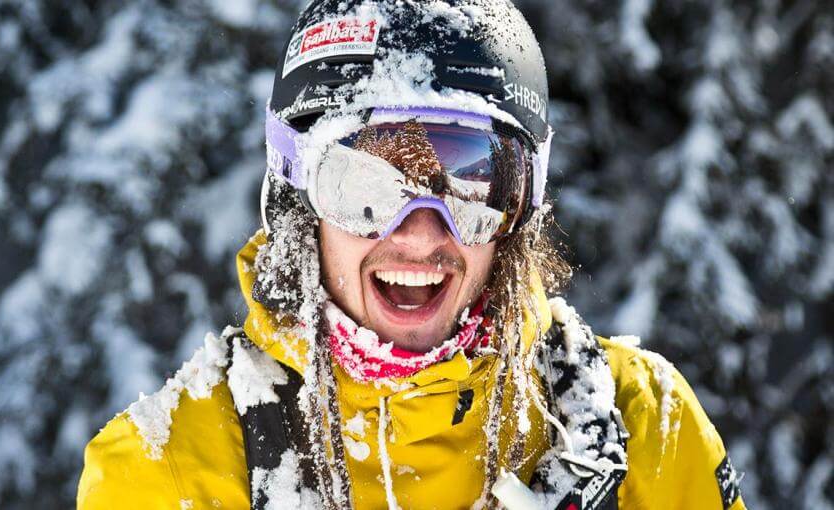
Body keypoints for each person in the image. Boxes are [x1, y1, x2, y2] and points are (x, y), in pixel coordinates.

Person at [76, 0, 745, 509]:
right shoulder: (167, 470)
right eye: (367, 189)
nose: (423, 236)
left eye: (472, 186)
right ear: (300, 197)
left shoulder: (638, 428)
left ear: (520, 209)